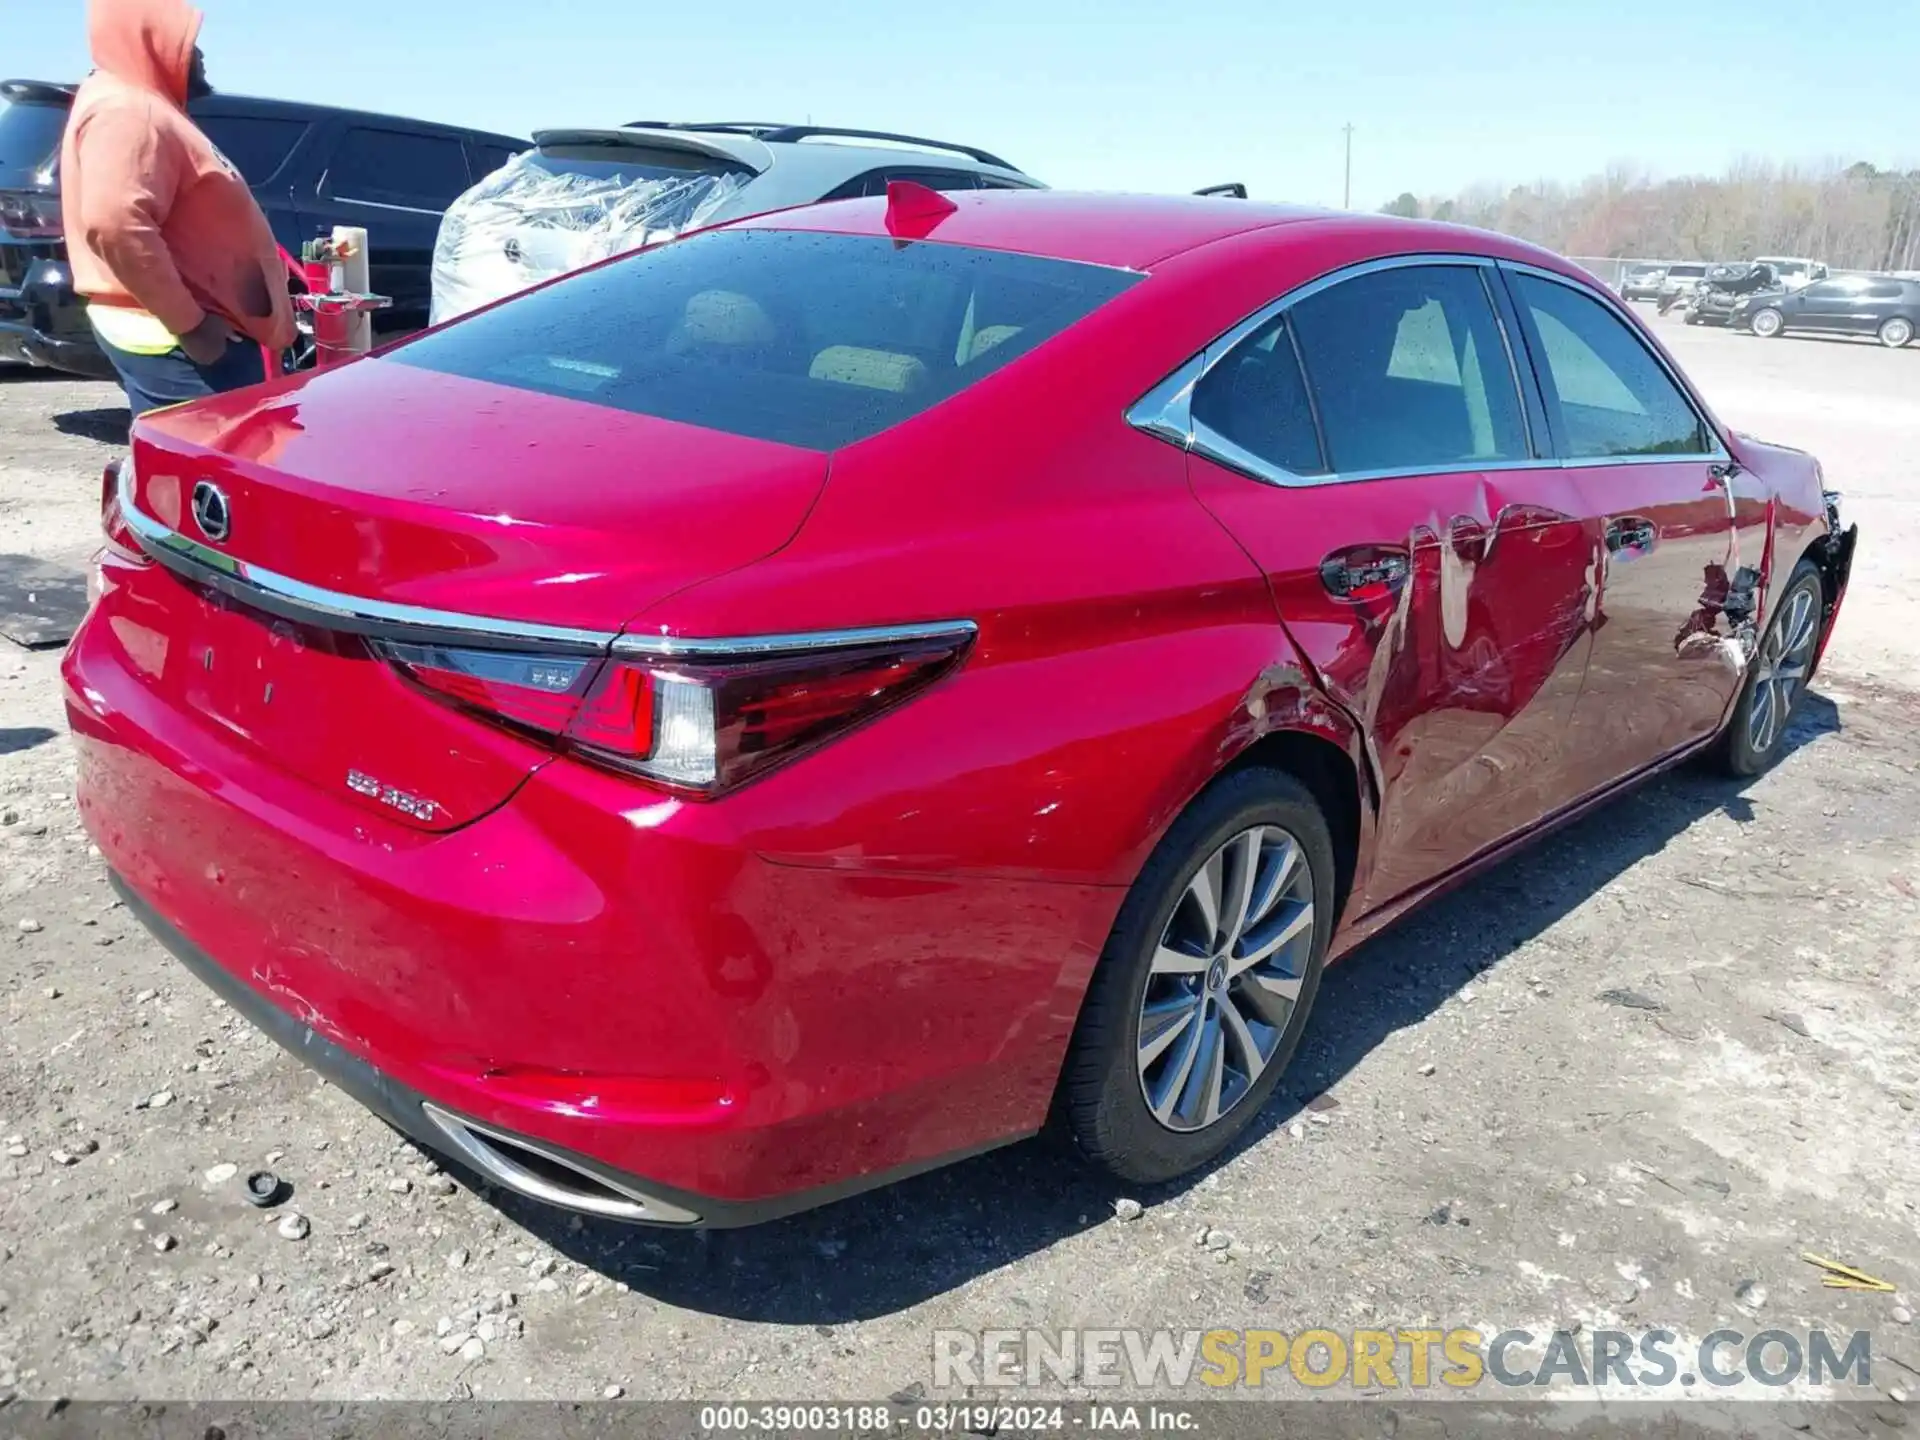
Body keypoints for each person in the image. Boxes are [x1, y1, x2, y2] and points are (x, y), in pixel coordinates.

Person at [59, 0, 294, 417]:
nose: (198, 55)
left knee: (194, 468)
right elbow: (115, 224)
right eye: (187, 43)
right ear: (147, 38)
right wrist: (192, 325)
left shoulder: (140, 104)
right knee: (211, 471)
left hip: (182, 335)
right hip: (178, 342)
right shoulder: (130, 110)